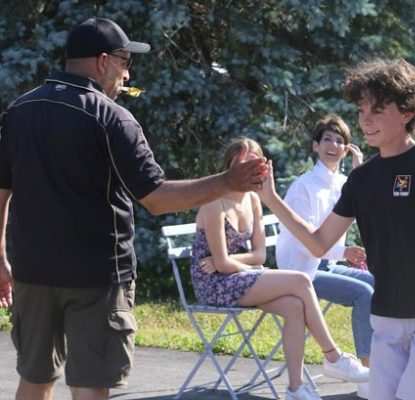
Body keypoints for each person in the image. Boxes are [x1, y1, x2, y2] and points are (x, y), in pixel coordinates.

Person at [0, 17, 268, 400]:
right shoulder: (111, 117)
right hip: (97, 278)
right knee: (91, 385)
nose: (128, 74)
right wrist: (226, 182)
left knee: (35, 377)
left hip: (31, 273)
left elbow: (1, 190)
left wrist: (1, 259)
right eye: (126, 62)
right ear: (103, 61)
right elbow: (156, 199)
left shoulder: (19, 110)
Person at [258, 59, 415, 400]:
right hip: (386, 315)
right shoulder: (361, 179)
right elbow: (319, 243)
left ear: (407, 112)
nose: (366, 119)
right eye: (363, 109)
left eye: (378, 110)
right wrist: (272, 199)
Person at [191, 137, 369, 400]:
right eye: (244, 160)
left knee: (295, 306)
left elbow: (259, 255)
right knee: (300, 281)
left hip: (242, 276)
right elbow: (223, 266)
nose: (251, 165)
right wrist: (231, 262)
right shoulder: (214, 202)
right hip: (214, 284)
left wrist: (235, 262)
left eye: (256, 160)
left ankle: (295, 388)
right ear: (230, 164)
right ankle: (333, 356)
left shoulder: (252, 200)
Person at [275, 114, 374, 399]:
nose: (333, 145)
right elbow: (306, 244)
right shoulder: (303, 187)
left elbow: (367, 217)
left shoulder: (344, 182)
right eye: (327, 139)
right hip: (301, 271)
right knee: (364, 293)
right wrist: (344, 251)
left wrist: (359, 174)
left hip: (329, 263)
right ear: (315, 146)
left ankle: (383, 366)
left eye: (340, 140)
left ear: (347, 149)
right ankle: (368, 376)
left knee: (378, 282)